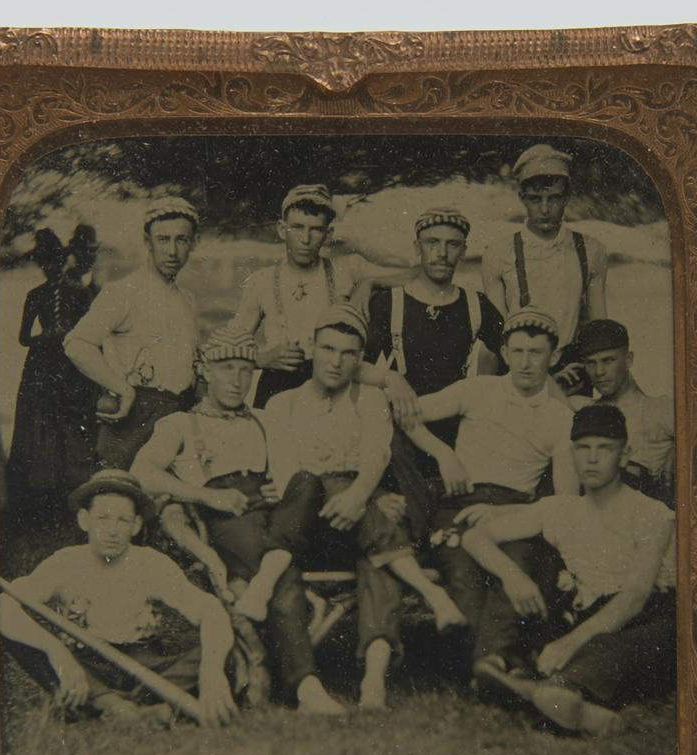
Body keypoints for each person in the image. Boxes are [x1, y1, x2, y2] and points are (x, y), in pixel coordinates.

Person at [246, 303, 467, 709]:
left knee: (376, 563)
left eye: (348, 353)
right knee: (313, 484)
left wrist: (358, 497)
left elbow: (376, 456)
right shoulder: (284, 404)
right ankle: (427, 593)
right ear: (312, 347)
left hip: (359, 525)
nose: (336, 361)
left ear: (360, 358)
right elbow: (290, 476)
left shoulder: (368, 400)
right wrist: (353, 493)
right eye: (328, 349)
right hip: (302, 529)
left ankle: (373, 685)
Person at [130, 325, 347, 716]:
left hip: (273, 518)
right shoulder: (179, 425)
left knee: (307, 482)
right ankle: (307, 684)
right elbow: (142, 472)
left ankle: (263, 584)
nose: (237, 380)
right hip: (226, 517)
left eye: (246, 370)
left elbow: (289, 474)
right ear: (206, 372)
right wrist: (206, 495)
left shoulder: (265, 420)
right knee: (284, 569)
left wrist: (280, 488)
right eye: (227, 368)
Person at [459, 404, 676, 735]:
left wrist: (569, 644)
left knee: (614, 645)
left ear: (624, 454)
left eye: (604, 449)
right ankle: (543, 689)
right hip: (584, 614)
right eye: (583, 448)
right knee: (528, 575)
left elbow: (634, 598)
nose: (591, 459)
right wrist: (513, 577)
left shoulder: (651, 513)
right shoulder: (561, 509)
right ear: (573, 453)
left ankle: (547, 689)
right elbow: (476, 537)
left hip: (642, 618)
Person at [404, 308, 579, 679]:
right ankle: (499, 662)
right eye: (517, 352)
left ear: (555, 356)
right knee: (464, 571)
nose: (526, 363)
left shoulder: (561, 418)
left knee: (515, 565)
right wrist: (443, 454)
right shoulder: (478, 390)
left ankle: (485, 665)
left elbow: (567, 500)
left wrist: (502, 513)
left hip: (515, 513)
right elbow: (405, 412)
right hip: (459, 506)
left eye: (536, 353)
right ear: (503, 352)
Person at [0, 469, 238, 727]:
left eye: (123, 521)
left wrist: (211, 671)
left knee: (228, 653)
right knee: (20, 638)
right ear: (84, 520)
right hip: (88, 663)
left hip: (144, 663)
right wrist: (56, 651)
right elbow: (4, 605)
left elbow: (209, 609)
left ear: (136, 526)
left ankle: (113, 708)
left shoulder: (151, 564)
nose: (112, 530)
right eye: (102, 518)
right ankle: (128, 707)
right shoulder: (65, 562)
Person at [362, 205, 506, 540]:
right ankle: (422, 536)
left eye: (452, 244)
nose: (441, 253)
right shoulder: (390, 303)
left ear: (464, 251)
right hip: (404, 415)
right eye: (432, 243)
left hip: (454, 416)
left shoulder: (476, 304)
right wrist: (390, 377)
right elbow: (357, 365)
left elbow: (516, 355)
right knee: (393, 443)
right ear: (417, 247)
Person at [230, 183, 418, 418]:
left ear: (328, 234)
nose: (305, 239)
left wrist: (368, 282)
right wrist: (263, 357)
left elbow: (413, 272)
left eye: (316, 229)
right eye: (297, 227)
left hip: (333, 381)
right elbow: (230, 346)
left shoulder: (346, 270)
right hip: (278, 384)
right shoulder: (262, 281)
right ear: (281, 229)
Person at [63, 196, 201, 468]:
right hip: (135, 416)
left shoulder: (187, 299)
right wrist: (122, 389)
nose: (172, 251)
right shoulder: (123, 292)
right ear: (147, 242)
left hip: (178, 415)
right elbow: (77, 344)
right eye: (163, 240)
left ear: (193, 243)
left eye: (181, 240)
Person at [481, 144, 607, 394]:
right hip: (518, 372)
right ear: (522, 197)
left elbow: (599, 328)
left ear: (567, 197)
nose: (545, 209)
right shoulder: (498, 252)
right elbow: (495, 336)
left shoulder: (591, 250)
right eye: (536, 199)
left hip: (573, 375)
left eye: (555, 198)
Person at [5, 228, 99, 521]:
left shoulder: (48, 294)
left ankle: (56, 490)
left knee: (52, 420)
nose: (48, 267)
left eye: (48, 261)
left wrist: (47, 338)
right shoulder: (68, 293)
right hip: (59, 361)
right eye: (47, 262)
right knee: (56, 420)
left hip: (53, 362)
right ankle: (56, 491)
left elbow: (24, 338)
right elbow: (25, 337)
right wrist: (56, 337)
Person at [574, 319, 675, 505]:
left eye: (608, 361)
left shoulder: (657, 409)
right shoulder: (583, 408)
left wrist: (679, 451)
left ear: (628, 360)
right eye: (590, 363)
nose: (599, 372)